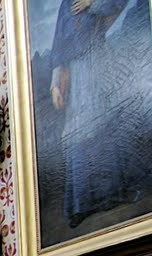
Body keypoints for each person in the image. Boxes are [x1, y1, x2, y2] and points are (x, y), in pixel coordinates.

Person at [48, 0, 130, 228]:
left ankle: (110, 194)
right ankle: (80, 204)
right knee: (78, 136)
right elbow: (60, 46)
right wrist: (56, 85)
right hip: (75, 79)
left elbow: (117, 5)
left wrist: (92, 4)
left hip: (99, 63)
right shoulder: (66, 5)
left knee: (104, 128)